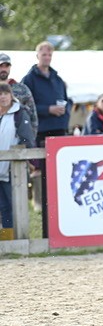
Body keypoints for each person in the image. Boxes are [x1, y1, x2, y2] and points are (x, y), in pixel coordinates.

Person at [0, 82, 37, 238]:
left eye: (5, 94)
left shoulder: (19, 114)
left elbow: (27, 139)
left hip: (12, 170)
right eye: (0, 94)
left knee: (13, 207)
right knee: (3, 208)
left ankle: (17, 239)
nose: (2, 97)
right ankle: (7, 240)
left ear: (11, 95)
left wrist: (31, 162)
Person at [22, 41, 71, 145]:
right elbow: (24, 106)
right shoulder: (28, 80)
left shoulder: (58, 80)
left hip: (60, 129)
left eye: (50, 55)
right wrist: (48, 109)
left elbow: (67, 101)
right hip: (40, 131)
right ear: (37, 56)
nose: (47, 57)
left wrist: (65, 114)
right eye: (44, 54)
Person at [0, 53, 37, 135]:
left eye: (6, 66)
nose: (3, 69)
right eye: (1, 66)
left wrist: (30, 137)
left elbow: (32, 115)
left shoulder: (22, 89)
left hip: (16, 138)